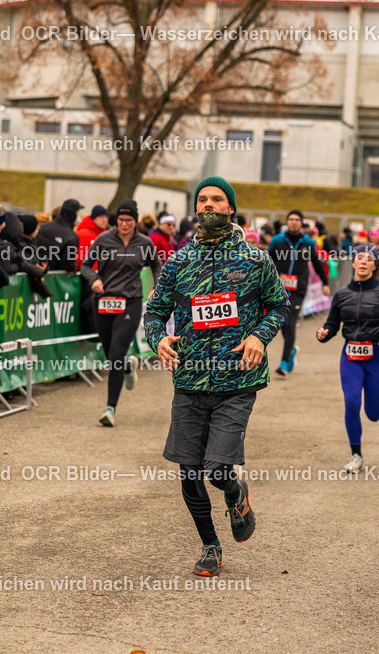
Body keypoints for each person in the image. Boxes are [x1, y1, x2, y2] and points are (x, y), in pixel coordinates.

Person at [144, 176, 289, 577]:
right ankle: (211, 546)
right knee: (189, 471)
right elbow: (154, 312)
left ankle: (235, 491)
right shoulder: (178, 261)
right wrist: (158, 339)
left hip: (237, 380)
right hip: (189, 379)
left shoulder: (256, 260)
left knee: (217, 469)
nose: (208, 205)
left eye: (217, 200)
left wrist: (259, 336)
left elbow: (279, 305)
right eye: (202, 199)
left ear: (230, 208)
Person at [316, 245, 379, 473]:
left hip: (378, 356)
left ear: (374, 266)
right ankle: (356, 454)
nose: (364, 262)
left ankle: (376, 403)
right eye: (360, 258)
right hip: (351, 355)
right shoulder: (342, 295)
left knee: (374, 413)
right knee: (351, 401)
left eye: (369, 259)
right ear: (354, 263)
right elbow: (332, 324)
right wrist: (324, 333)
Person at [80, 199, 161, 427]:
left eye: (129, 220)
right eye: (121, 219)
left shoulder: (144, 242)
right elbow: (86, 265)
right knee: (111, 356)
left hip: (130, 302)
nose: (124, 224)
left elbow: (156, 265)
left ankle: (110, 408)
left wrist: (156, 285)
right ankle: (127, 366)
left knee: (116, 353)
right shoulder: (103, 240)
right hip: (104, 301)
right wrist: (94, 279)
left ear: (135, 221)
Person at [268, 209, 329, 376]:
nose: (293, 222)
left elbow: (317, 263)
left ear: (301, 223)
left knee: (289, 322)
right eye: (291, 219)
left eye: (297, 219)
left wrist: (325, 283)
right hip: (278, 289)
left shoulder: (308, 243)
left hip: (298, 290)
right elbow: (268, 262)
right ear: (287, 222)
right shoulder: (277, 241)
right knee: (281, 324)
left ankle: (284, 362)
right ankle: (292, 350)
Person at [36, 199, 82, 272]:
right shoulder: (72, 237)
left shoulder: (42, 227)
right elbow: (67, 265)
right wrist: (74, 266)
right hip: (54, 280)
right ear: (75, 213)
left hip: (35, 273)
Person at [76, 205, 108, 270]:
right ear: (94, 217)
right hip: (89, 274)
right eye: (101, 217)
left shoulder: (106, 235)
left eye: (106, 217)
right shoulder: (83, 234)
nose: (104, 220)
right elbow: (81, 258)